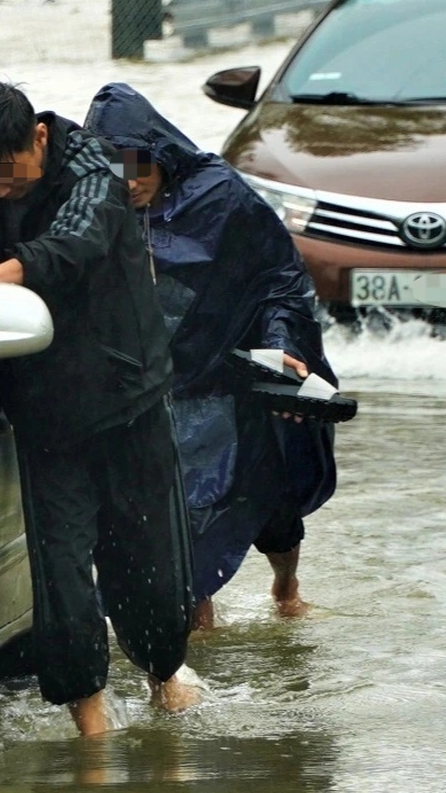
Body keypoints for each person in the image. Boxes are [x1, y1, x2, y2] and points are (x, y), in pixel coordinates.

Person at [0, 82, 197, 735]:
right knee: (62, 578)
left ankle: (163, 677)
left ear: (38, 137)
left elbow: (70, 249)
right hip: (43, 414)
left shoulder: (95, 174)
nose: (0, 193)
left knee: (144, 569)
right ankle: (90, 731)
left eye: (11, 180)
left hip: (128, 401)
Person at [85, 83, 338, 628]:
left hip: (227, 381)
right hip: (157, 390)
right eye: (115, 171)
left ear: (161, 155)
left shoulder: (220, 196)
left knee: (274, 513)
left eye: (138, 169)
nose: (128, 185)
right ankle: (198, 632)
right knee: (180, 530)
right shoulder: (94, 207)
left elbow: (281, 280)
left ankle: (286, 588)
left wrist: (283, 346)